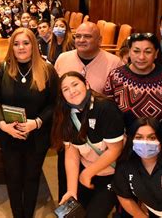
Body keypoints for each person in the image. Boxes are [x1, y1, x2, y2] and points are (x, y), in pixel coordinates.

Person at [0, 28, 58, 218]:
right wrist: (3, 125)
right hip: (9, 133)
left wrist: (36, 123)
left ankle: (27, 214)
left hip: (37, 134)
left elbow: (54, 104)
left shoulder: (47, 70)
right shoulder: (3, 69)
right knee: (13, 177)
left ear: (34, 45)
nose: (21, 47)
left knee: (31, 176)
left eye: (26, 43)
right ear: (11, 46)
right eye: (16, 43)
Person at [51, 71, 124, 218]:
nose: (71, 91)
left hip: (111, 174)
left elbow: (115, 150)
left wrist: (87, 173)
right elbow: (71, 153)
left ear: (87, 84)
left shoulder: (105, 107)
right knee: (70, 214)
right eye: (65, 89)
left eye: (75, 84)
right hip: (86, 171)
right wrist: (71, 190)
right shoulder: (64, 113)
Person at [104, 33, 162, 149]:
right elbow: (107, 113)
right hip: (126, 146)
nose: (141, 57)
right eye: (136, 51)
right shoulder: (116, 76)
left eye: (148, 52)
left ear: (156, 54)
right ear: (129, 52)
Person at [55, 21, 122, 93]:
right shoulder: (62, 59)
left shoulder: (114, 63)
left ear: (99, 40)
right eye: (78, 36)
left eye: (87, 36)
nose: (81, 40)